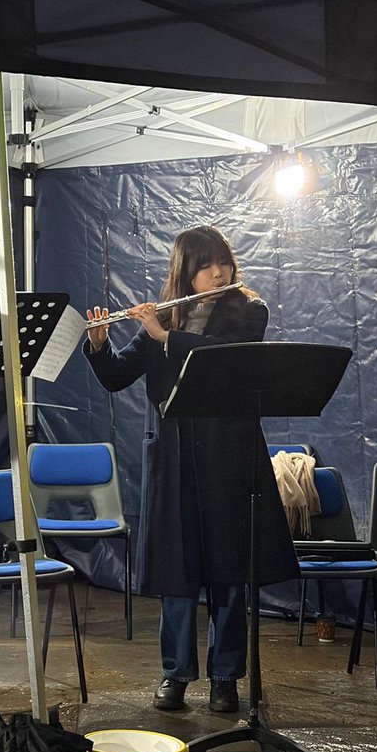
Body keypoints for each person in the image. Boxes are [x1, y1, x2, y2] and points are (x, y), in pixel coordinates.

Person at [84, 226, 297, 713]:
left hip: (229, 456)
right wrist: (99, 346)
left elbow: (228, 361)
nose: (217, 272)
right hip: (175, 457)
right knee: (176, 573)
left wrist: (167, 338)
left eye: (221, 262)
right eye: (205, 265)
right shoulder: (164, 316)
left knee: (228, 571)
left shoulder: (248, 310)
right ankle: (175, 675)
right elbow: (118, 377)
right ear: (184, 271)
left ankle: (226, 677)